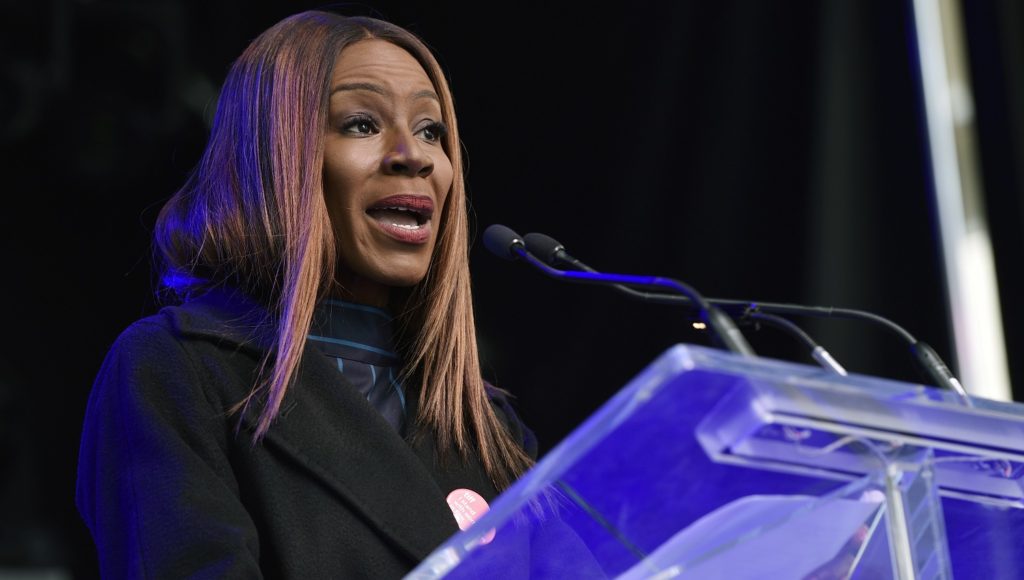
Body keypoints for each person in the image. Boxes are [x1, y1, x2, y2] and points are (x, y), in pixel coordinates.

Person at [75, 10, 537, 578]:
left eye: (430, 130)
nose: (414, 155)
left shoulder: (486, 426)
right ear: (274, 160)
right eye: (362, 124)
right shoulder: (179, 371)